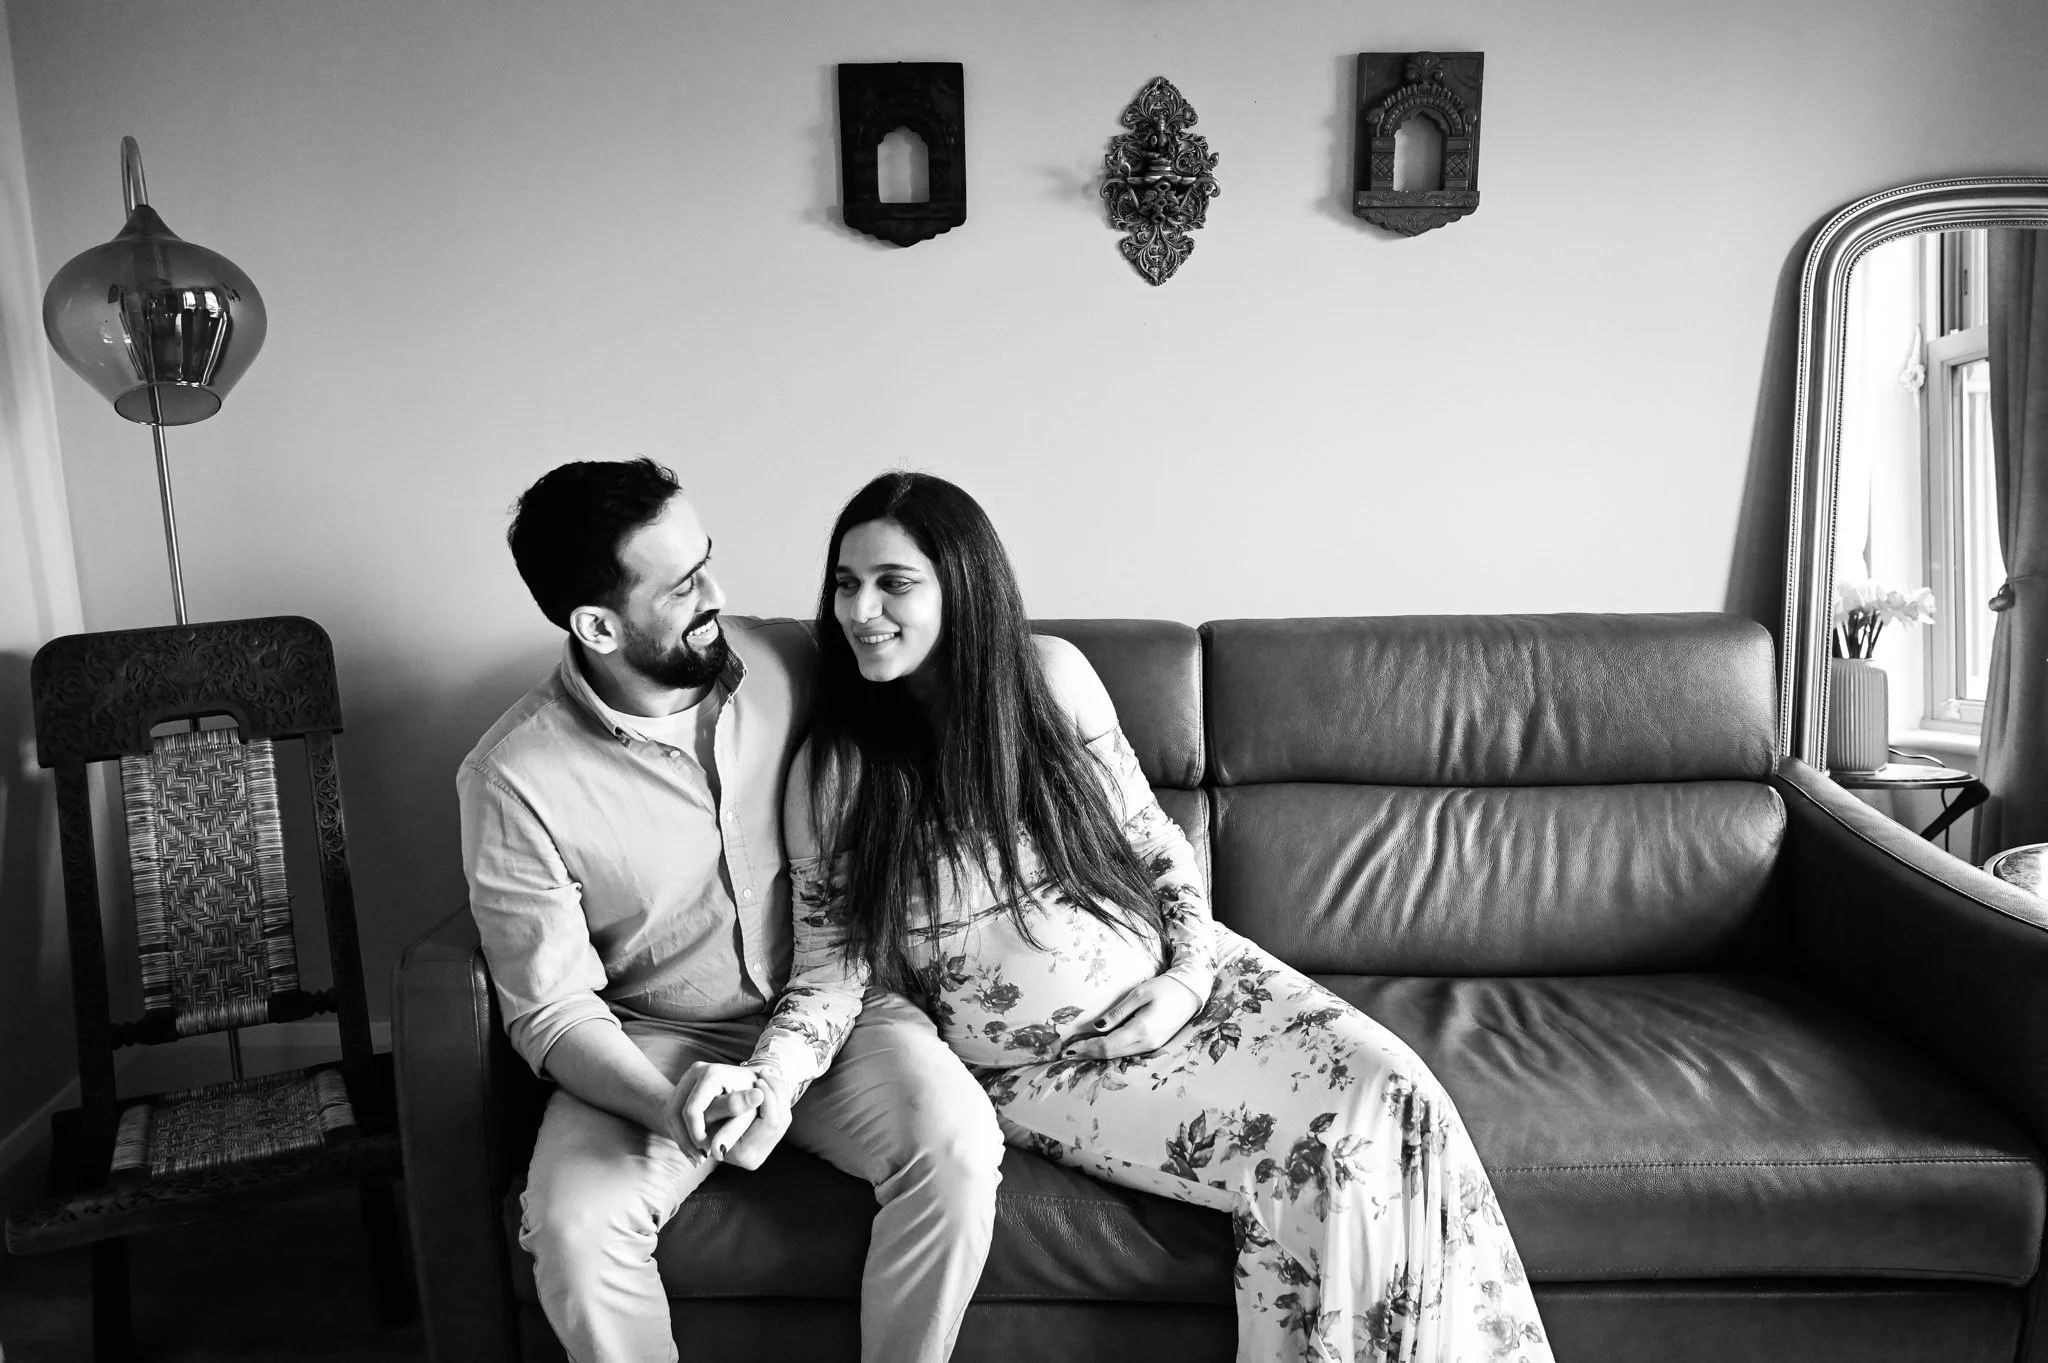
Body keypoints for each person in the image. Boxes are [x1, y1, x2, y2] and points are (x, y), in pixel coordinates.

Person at [684, 471, 1553, 1363]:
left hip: (1199, 982)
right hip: (1060, 1063)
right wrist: (768, 1081)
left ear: (963, 585)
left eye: (893, 582)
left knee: (1402, 1098)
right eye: (844, 581)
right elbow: (829, 974)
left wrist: (1185, 980)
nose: (860, 608)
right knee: (1321, 1163)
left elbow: (1153, 844)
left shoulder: (1051, 680)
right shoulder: (839, 772)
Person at [458, 459, 1004, 1363]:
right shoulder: (511, 777)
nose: (717, 592)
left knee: (953, 1146)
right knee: (573, 1227)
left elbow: (950, 687)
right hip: (655, 1043)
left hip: (840, 1011)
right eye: (682, 584)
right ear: (597, 624)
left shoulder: (795, 659)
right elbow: (549, 1009)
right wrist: (666, 1102)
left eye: (707, 559)